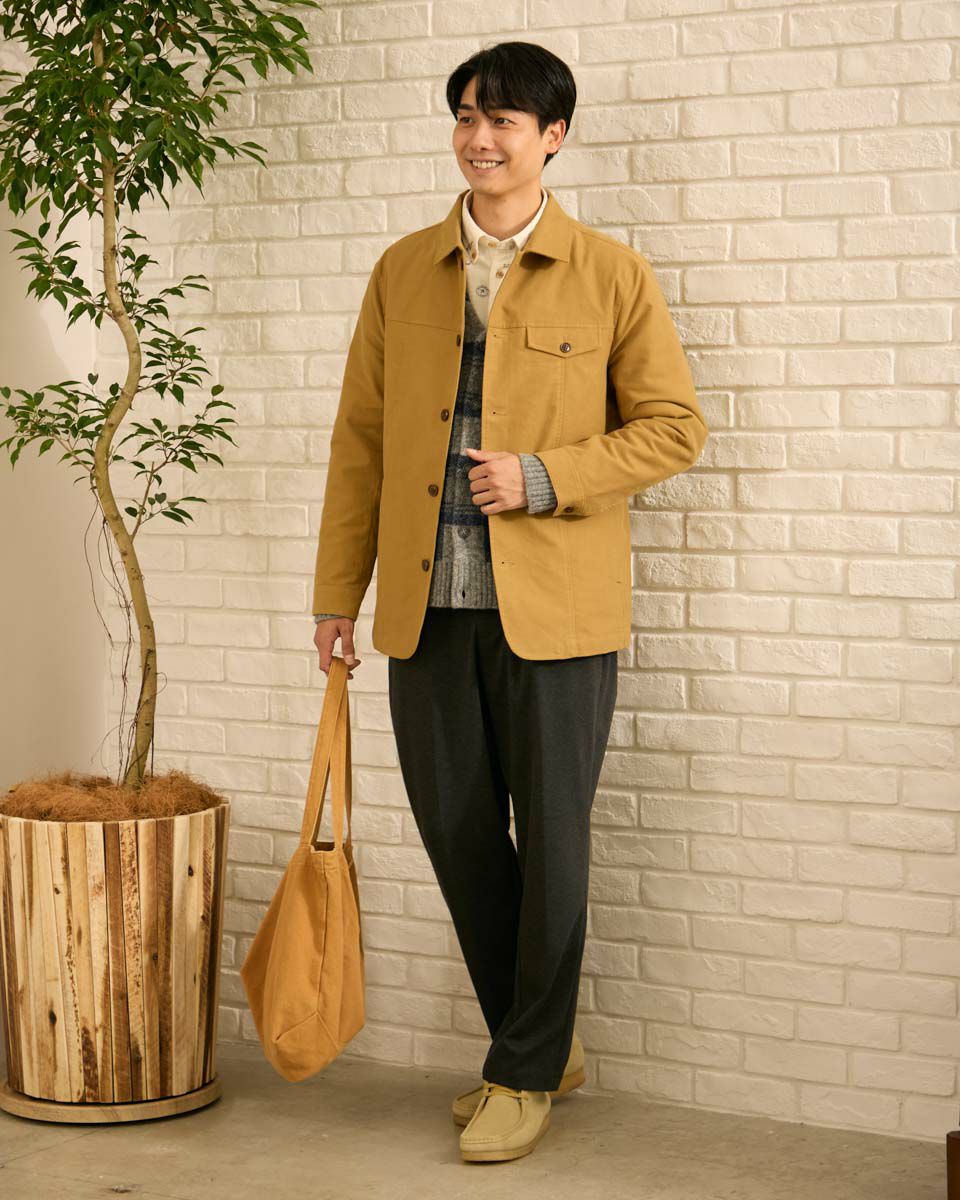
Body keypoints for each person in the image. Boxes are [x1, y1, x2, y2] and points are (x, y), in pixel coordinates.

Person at [311, 40, 709, 1164]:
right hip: (426, 610)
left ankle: (523, 1070)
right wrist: (337, 593)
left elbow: (675, 428)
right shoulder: (402, 270)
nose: (480, 139)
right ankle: (541, 1045)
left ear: (553, 137)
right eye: (466, 117)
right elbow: (360, 442)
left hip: (560, 612)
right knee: (456, 831)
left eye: (505, 121)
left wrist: (542, 476)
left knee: (556, 839)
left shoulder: (612, 274)